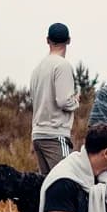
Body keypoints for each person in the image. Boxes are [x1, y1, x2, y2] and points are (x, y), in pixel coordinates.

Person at [29, 22, 79, 173]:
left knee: (47, 187)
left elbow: (34, 98)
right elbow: (63, 101)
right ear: (69, 40)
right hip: (55, 134)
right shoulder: (62, 66)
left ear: (47, 40)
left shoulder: (38, 68)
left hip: (38, 134)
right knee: (66, 181)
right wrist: (75, 101)